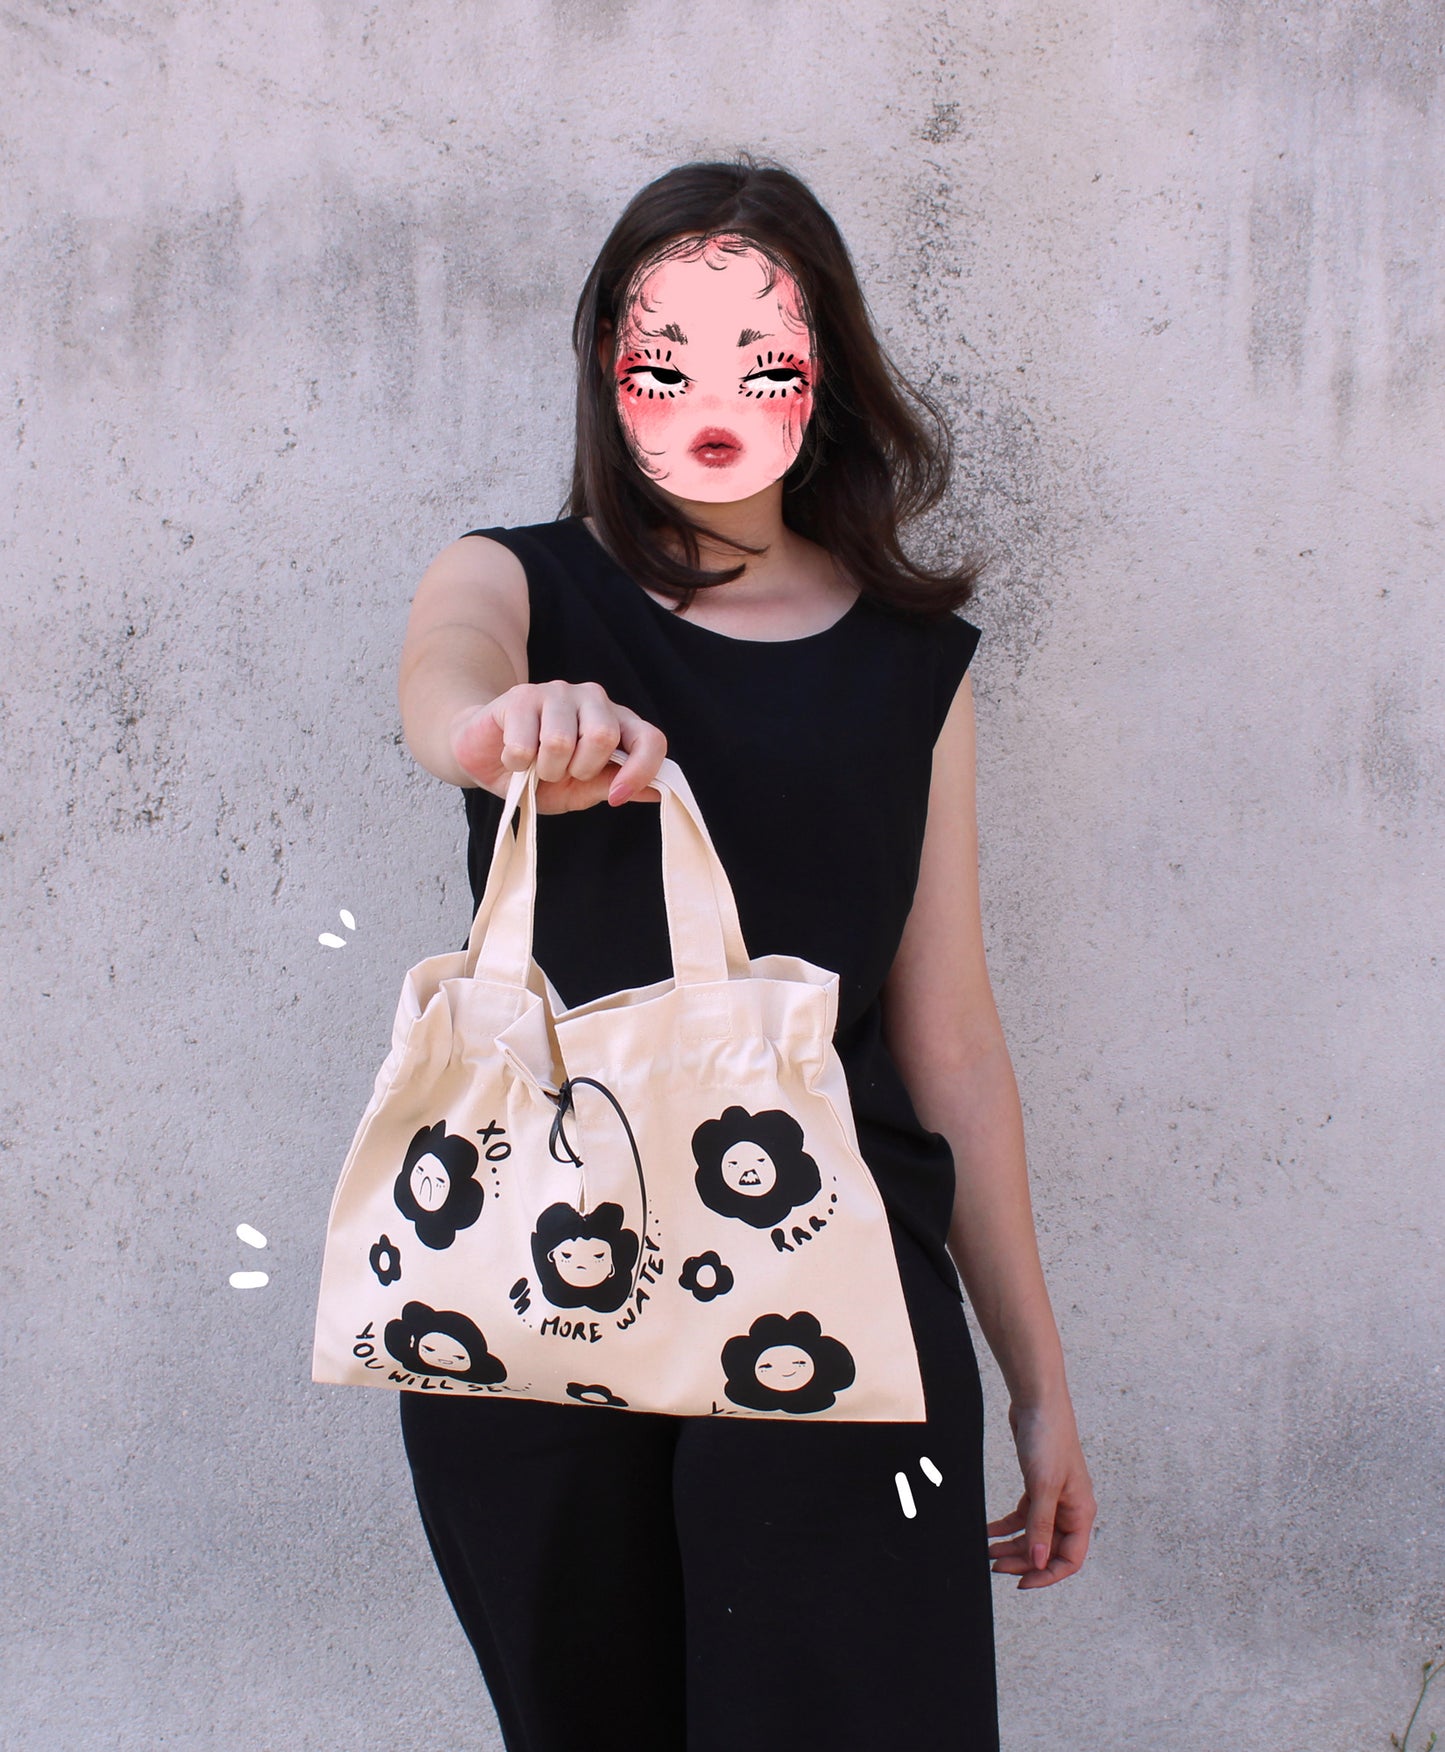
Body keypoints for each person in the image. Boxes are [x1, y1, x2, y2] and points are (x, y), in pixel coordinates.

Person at [393, 153, 1096, 1752]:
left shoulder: (912, 665)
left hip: (836, 1282)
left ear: (820, 369)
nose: (712, 394)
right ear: (608, 364)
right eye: (668, 353)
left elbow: (949, 1044)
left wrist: (1037, 1381)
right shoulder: (514, 583)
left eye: (758, 353)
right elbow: (444, 687)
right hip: (532, 1288)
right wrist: (502, 729)